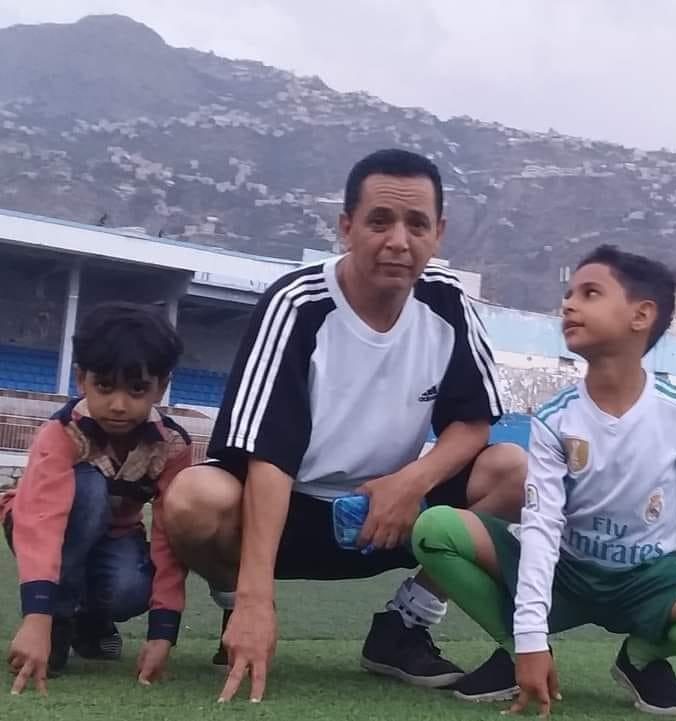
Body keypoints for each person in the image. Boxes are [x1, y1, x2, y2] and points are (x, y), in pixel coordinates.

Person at [162, 148, 527, 703]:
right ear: (346, 226)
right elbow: (268, 456)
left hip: (392, 515)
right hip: (289, 516)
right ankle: (238, 612)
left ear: (439, 233)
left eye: (417, 224)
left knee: (514, 471)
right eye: (379, 221)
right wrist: (257, 598)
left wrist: (409, 483)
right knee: (194, 497)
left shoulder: (448, 302)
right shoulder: (297, 305)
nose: (398, 241)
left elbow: (473, 423)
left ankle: (404, 627)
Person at [413, 245, 676, 717]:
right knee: (436, 529)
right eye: (569, 293)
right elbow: (541, 525)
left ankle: (642, 657)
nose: (569, 305)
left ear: (641, 315)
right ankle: (515, 653)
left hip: (649, 580)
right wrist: (530, 638)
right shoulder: (556, 418)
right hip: (567, 573)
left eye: (590, 293)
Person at [2, 302, 192, 695]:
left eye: (137, 389)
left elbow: (169, 536)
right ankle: (59, 618)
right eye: (104, 387)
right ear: (81, 380)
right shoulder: (61, 433)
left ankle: (90, 618)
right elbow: (43, 524)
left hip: (114, 535)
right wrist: (38, 617)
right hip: (39, 521)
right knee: (88, 488)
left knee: (130, 591)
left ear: (161, 386)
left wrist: (163, 632)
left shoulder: (171, 446)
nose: (119, 405)